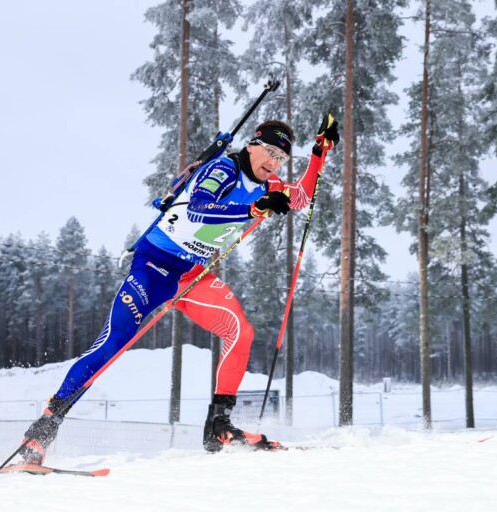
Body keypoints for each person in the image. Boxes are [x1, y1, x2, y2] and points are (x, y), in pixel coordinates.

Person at [18, 115, 339, 463]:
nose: (274, 163)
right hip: (154, 267)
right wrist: (251, 208)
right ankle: (43, 429)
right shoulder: (223, 169)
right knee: (113, 343)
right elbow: (199, 208)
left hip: (192, 276)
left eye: (282, 158)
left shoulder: (269, 184)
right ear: (252, 146)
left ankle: (218, 426)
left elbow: (301, 196)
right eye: (271, 153)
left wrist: (319, 152)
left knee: (239, 331)